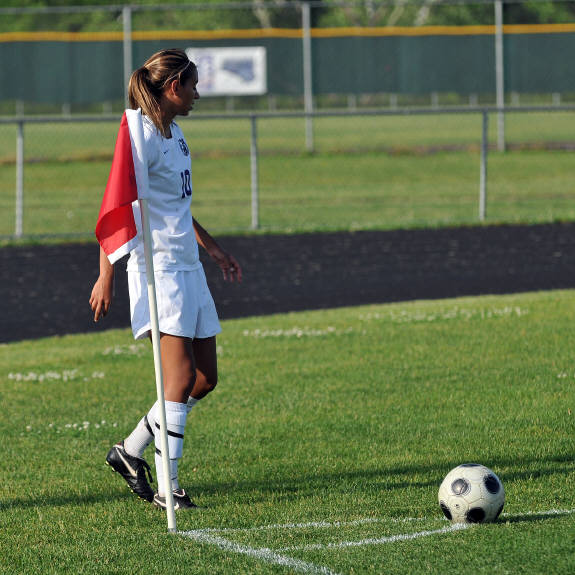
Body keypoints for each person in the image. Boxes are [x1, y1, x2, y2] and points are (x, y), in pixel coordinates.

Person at [89, 48, 242, 510]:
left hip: (188, 265)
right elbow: (117, 206)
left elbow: (176, 207)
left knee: (205, 379)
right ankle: (167, 488)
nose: (197, 95)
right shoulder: (140, 134)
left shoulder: (176, 134)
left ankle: (130, 450)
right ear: (174, 87)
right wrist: (106, 275)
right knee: (178, 378)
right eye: (193, 86)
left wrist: (212, 248)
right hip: (158, 270)